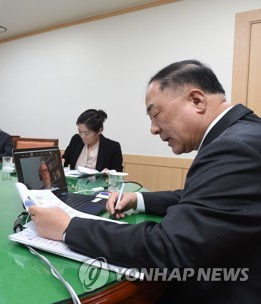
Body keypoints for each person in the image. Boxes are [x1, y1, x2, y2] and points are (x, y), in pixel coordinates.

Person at [29, 60, 261, 302]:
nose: (153, 129)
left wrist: (68, 228)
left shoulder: (235, 148)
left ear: (196, 100)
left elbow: (168, 247)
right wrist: (137, 199)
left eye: (155, 114)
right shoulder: (242, 136)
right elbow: (200, 198)